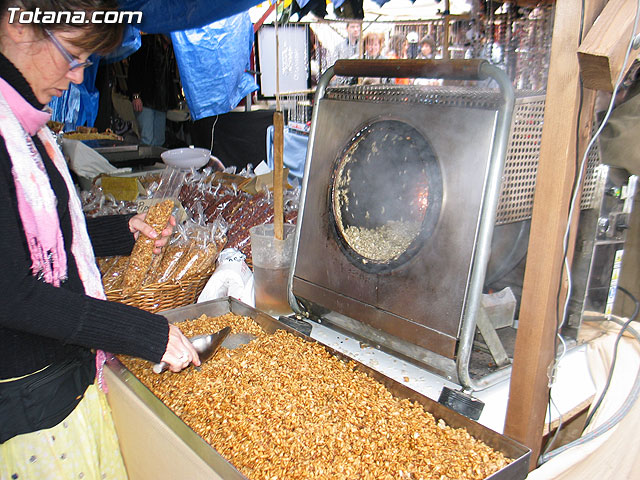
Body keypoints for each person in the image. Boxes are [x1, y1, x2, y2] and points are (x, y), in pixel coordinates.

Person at [0, 1, 200, 478]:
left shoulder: (28, 127)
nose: (76, 78)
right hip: (29, 406)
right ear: (17, 25)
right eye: (72, 55)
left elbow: (35, 237)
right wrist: (143, 332)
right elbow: (12, 293)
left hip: (65, 381)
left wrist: (121, 230)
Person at [127, 33, 180, 146]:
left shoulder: (168, 48)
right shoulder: (147, 43)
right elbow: (135, 67)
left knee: (159, 140)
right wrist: (136, 95)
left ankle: (152, 162)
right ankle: (145, 163)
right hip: (146, 98)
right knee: (147, 139)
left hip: (160, 100)